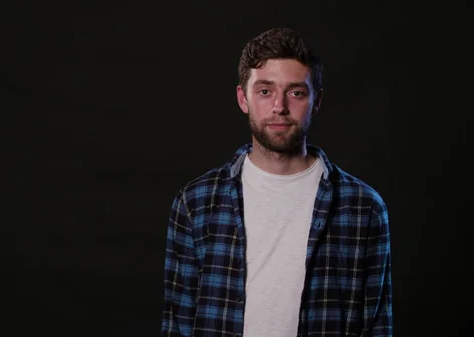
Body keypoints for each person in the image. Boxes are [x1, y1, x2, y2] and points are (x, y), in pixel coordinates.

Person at [161, 28, 393, 337]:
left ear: (316, 100)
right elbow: (177, 324)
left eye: (296, 92)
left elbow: (377, 327)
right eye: (265, 91)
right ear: (243, 98)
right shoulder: (195, 203)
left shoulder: (363, 208)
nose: (279, 107)